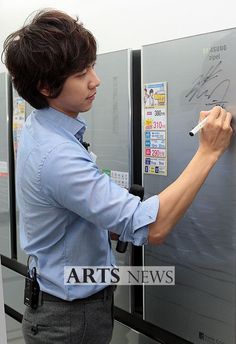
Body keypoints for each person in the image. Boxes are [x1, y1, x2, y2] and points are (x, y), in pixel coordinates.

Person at [2, 9, 233, 344]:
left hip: (63, 305)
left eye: (92, 67)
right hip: (70, 321)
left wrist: (107, 212)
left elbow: (68, 208)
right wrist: (209, 152)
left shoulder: (42, 129)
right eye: (82, 74)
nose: (95, 80)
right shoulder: (58, 154)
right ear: (45, 86)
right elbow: (152, 228)